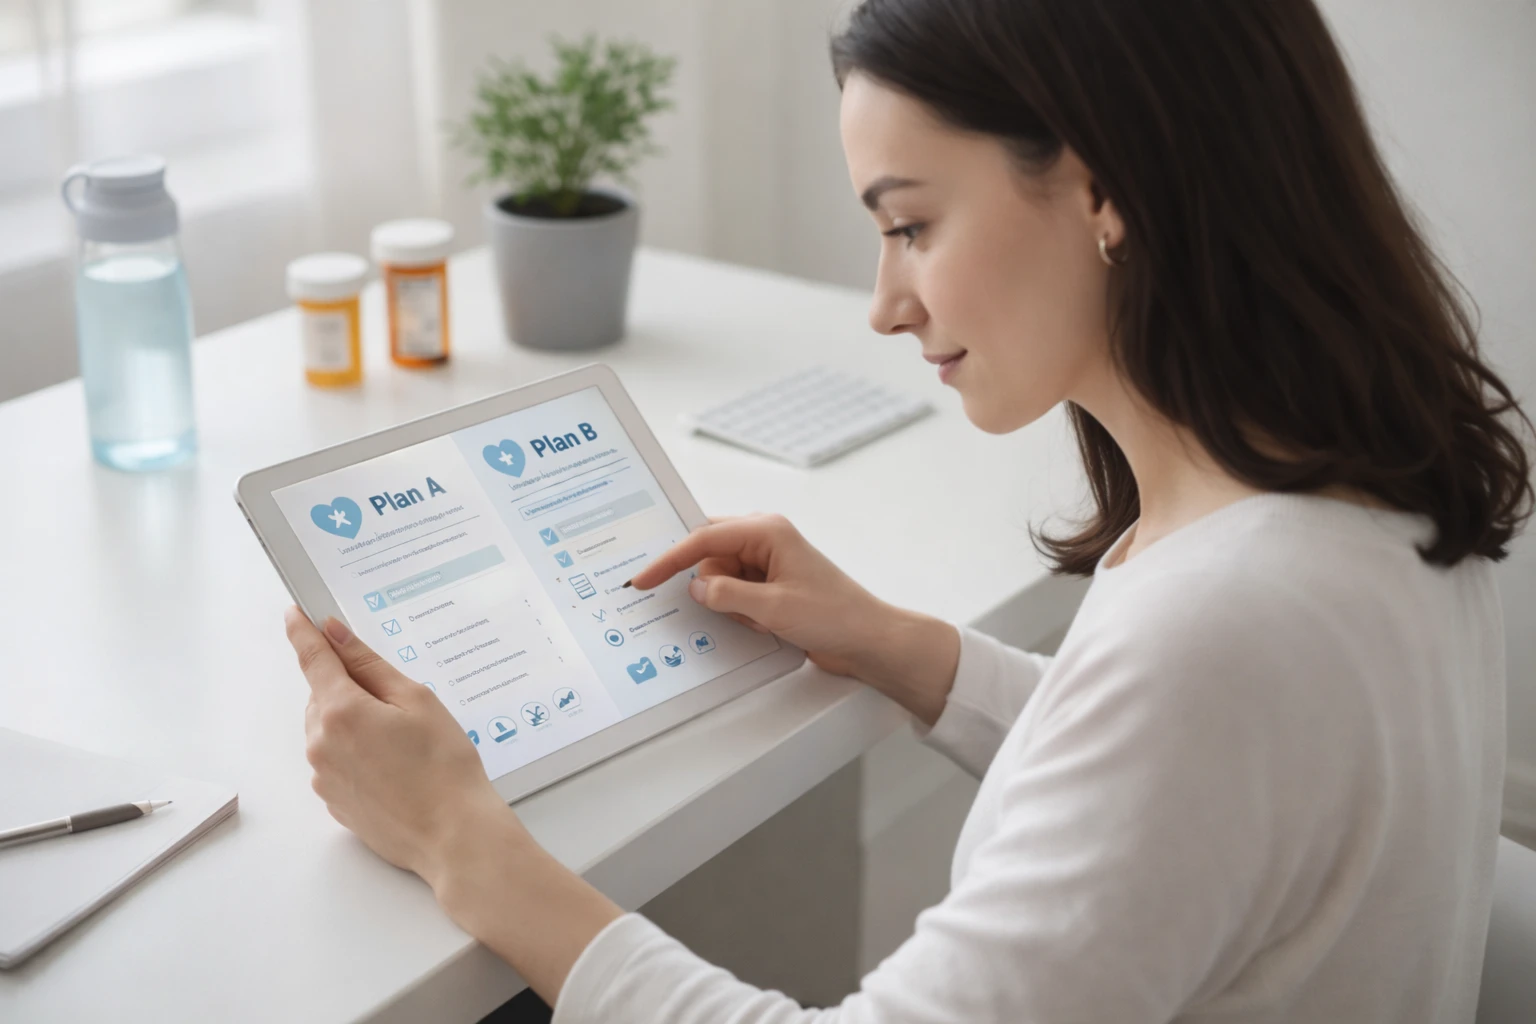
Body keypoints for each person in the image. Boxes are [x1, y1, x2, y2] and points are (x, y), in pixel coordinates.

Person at [282, 0, 1535, 1020]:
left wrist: (461, 838)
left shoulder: (1221, 629)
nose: (884, 303)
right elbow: (1192, 792)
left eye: (912, 225)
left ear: (1109, 190)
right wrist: (901, 644)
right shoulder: (1368, 486)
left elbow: (1178, 731)